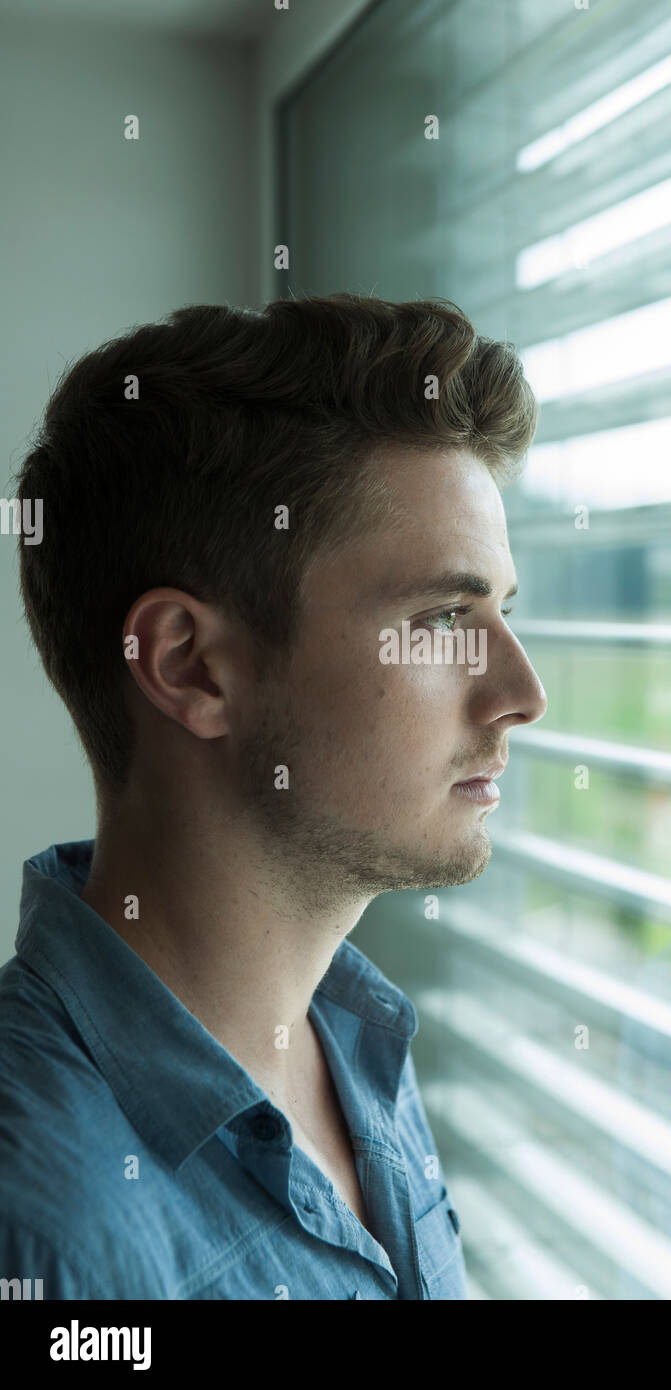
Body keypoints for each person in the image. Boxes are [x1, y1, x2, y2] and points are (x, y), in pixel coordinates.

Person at [1, 294, 547, 1300]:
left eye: (500, 614)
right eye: (440, 618)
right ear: (192, 666)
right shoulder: (44, 1234)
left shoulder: (350, 1034)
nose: (519, 695)